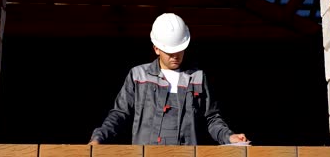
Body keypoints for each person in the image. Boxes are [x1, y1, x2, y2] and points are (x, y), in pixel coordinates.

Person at [89, 13, 249, 145]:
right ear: (156, 48)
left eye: (180, 50)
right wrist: (99, 138)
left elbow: (211, 118)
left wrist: (229, 137)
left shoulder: (197, 77)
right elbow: (119, 114)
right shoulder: (138, 76)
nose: (175, 56)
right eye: (170, 52)